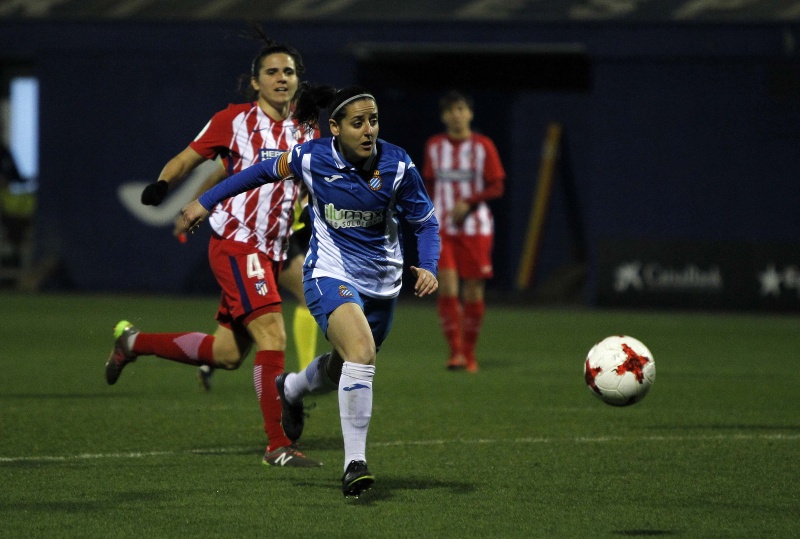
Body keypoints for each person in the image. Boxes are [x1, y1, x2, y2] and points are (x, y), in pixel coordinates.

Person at [181, 85, 440, 498]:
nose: (368, 130)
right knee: (362, 354)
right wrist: (205, 202)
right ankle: (354, 464)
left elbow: (426, 223)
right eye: (357, 123)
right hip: (327, 273)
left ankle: (292, 389)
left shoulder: (398, 165)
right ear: (334, 127)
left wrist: (428, 266)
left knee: (343, 368)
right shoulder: (311, 157)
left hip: (382, 286)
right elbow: (257, 173)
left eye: (373, 120)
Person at [104, 34, 322, 468]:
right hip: (238, 245)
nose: (281, 78)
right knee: (274, 335)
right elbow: (190, 158)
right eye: (272, 72)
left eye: (289, 72)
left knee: (226, 355)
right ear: (256, 83)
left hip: (274, 250)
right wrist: (163, 185)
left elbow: (301, 180)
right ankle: (277, 444)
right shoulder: (234, 119)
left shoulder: (308, 129)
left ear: (299, 81)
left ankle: (133, 342)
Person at [422, 90, 505, 373]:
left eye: (461, 109)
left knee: (472, 290)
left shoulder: (483, 146)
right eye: (450, 110)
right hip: (442, 229)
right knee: (446, 286)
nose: (456, 115)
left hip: (476, 229)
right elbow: (430, 184)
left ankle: (470, 354)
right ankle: (455, 352)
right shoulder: (434, 146)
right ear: (444, 116)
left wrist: (469, 202)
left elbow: (496, 185)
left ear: (470, 113)